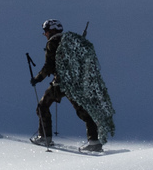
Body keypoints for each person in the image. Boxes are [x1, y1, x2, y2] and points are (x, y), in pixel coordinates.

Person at [31, 18, 116, 151]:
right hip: (75, 84)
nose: (45, 35)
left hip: (60, 83)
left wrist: (37, 79)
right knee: (84, 111)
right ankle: (94, 141)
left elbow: (49, 65)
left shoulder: (52, 43)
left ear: (51, 30)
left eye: (46, 32)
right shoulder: (70, 42)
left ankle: (44, 137)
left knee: (42, 107)